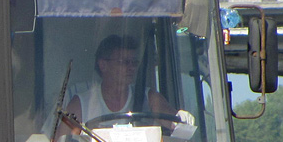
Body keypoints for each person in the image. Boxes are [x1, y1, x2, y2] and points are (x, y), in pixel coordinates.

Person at [63, 34, 191, 132]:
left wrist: (179, 120)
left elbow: (170, 118)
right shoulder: (80, 104)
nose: (131, 68)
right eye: (124, 62)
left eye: (134, 63)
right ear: (103, 65)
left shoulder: (149, 98)